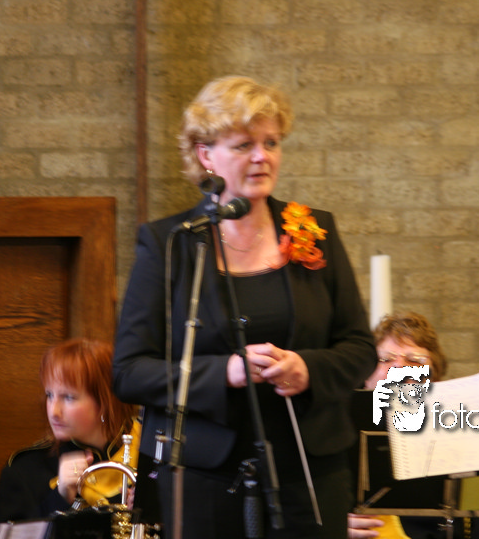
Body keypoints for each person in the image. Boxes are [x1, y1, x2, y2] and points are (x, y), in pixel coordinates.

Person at [112, 75, 377, 539]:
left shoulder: (315, 231)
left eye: (271, 142)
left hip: (310, 473)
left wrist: (307, 368)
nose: (262, 156)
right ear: (205, 155)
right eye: (243, 145)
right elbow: (130, 371)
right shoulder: (169, 243)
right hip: (205, 476)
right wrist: (225, 372)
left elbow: (360, 349)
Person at [0, 337, 141, 525]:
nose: (53, 412)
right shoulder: (24, 471)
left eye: (68, 397)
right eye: (49, 395)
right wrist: (59, 498)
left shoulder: (151, 451)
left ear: (105, 401)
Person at [349, 311, 448, 539]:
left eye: (414, 361)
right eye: (385, 359)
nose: (399, 368)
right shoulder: (332, 428)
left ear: (435, 378)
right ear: (364, 374)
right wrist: (330, 527)